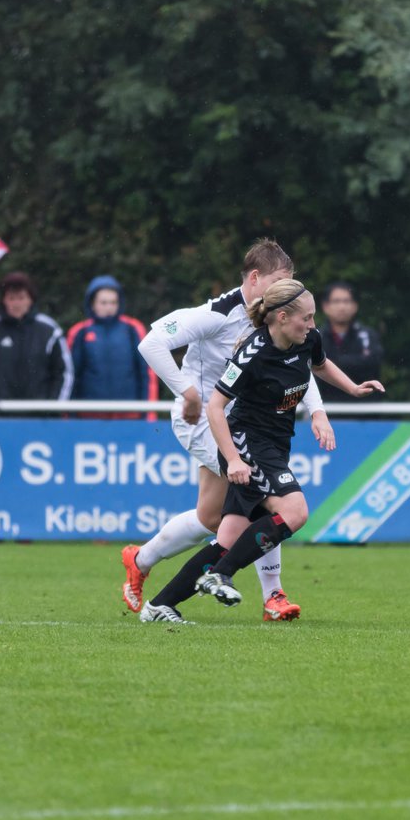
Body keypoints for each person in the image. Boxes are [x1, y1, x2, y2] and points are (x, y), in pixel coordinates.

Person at [138, 279, 384, 623]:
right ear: (282, 317)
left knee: (227, 539)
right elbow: (215, 408)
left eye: (314, 318)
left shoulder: (307, 339)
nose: (313, 325)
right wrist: (234, 459)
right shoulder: (253, 352)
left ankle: (159, 606)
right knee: (295, 511)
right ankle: (222, 575)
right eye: (307, 318)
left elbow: (320, 364)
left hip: (274, 444)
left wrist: (353, 389)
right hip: (246, 441)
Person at [125, 238, 331, 623]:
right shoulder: (218, 314)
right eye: (280, 283)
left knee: (211, 518)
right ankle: (273, 596)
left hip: (245, 424)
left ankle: (141, 560)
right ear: (255, 279)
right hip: (204, 421)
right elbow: (152, 343)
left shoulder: (276, 322)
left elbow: (294, 361)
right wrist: (186, 393)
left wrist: (316, 409)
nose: (289, 295)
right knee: (262, 497)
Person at [0, 271, 73, 401]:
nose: (16, 304)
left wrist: (53, 408)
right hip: (0, 416)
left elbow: (63, 371)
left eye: (21, 298)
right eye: (11, 298)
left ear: (30, 300)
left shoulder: (49, 330)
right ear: (4, 300)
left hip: (41, 416)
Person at [65, 275, 156, 416]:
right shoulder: (80, 332)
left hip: (129, 416)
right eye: (103, 302)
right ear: (92, 304)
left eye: (113, 302)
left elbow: (147, 374)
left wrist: (149, 414)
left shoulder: (133, 329)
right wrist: (68, 416)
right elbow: (71, 376)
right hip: (89, 417)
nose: (109, 307)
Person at [317, 281, 384, 403]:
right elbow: (314, 369)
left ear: (355, 306)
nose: (342, 306)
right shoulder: (317, 336)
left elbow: (372, 364)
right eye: (336, 301)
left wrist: (329, 365)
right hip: (326, 407)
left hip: (364, 410)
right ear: (325, 306)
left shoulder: (367, 335)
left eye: (346, 301)